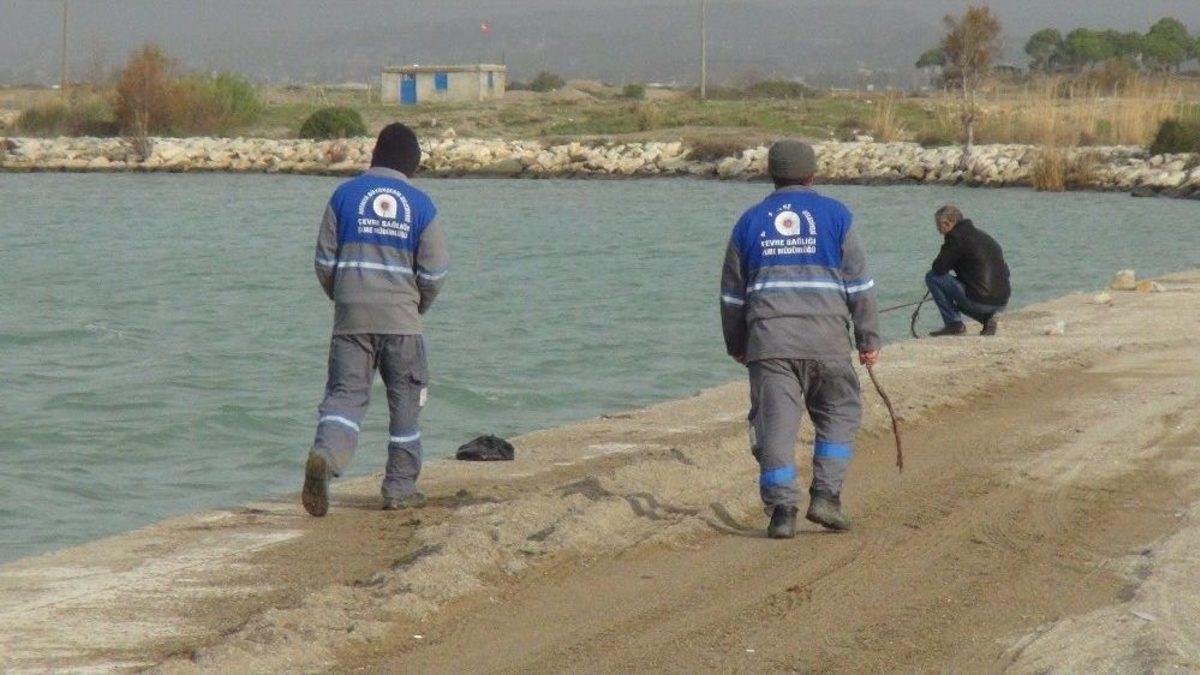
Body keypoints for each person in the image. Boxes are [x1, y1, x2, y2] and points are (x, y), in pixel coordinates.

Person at [720, 139, 882, 539]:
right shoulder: (837, 216)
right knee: (839, 414)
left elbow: (732, 296)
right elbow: (860, 286)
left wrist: (737, 344)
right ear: (812, 173)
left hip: (769, 343)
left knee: (775, 426)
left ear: (771, 174)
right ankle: (826, 496)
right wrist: (868, 339)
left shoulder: (748, 222)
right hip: (827, 341)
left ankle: (782, 513)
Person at [302, 123, 448, 517]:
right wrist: (414, 305)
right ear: (412, 164)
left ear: (374, 155)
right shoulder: (422, 206)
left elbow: (324, 262)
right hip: (402, 321)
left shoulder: (343, 196)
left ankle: (326, 458)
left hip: (350, 318)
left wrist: (345, 296)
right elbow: (434, 272)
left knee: (345, 397)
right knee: (406, 402)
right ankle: (399, 488)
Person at [924, 205, 1010, 337]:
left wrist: (947, 251)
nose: (939, 232)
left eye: (939, 227)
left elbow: (938, 268)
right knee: (968, 294)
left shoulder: (955, 238)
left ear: (947, 223)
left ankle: (954, 324)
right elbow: (1005, 271)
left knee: (932, 277)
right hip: (1001, 301)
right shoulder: (985, 237)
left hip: (980, 302)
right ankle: (987, 319)